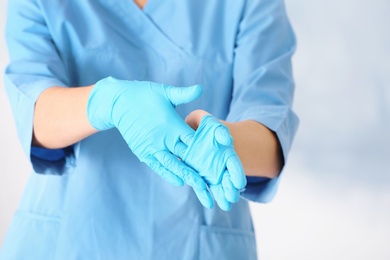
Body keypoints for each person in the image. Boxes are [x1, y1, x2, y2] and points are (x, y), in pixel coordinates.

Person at [0, 0, 298, 259]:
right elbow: (35, 112)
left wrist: (220, 144)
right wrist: (107, 102)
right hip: (68, 240)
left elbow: (270, 125)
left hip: (195, 243)